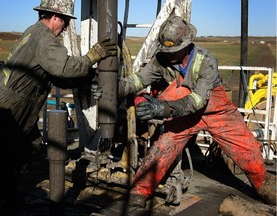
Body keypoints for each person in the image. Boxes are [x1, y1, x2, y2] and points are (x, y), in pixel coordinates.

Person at [113, 16, 276, 207]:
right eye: (166, 50)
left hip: (217, 113)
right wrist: (112, 87)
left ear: (186, 44)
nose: (169, 55)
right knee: (163, 147)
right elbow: (138, 81)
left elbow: (199, 99)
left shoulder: (205, 61)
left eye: (174, 51)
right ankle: (140, 190)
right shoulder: (161, 59)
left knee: (248, 150)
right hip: (184, 115)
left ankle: (263, 186)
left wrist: (162, 107)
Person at [0, 0, 117, 204]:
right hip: (12, 105)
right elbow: (64, 68)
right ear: (55, 17)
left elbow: (55, 75)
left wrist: (86, 76)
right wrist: (93, 56)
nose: (65, 27)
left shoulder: (33, 32)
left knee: (27, 144)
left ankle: (4, 192)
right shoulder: (44, 37)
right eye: (65, 21)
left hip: (13, 101)